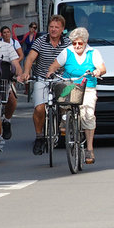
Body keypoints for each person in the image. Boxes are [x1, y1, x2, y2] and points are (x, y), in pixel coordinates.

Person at [47, 27, 105, 164]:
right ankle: (65, 118)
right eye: (74, 43)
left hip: (87, 87)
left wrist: (98, 71)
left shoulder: (93, 53)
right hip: (70, 85)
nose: (77, 46)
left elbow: (103, 68)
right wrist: (50, 72)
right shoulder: (67, 52)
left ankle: (89, 149)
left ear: (85, 42)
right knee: (62, 97)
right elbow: (54, 66)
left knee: (88, 115)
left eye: (80, 43)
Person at [19, 15, 71, 155]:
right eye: (51, 27)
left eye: (56, 27)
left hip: (61, 78)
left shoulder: (68, 43)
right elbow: (30, 58)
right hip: (42, 78)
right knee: (39, 108)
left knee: (65, 103)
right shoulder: (41, 41)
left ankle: (63, 124)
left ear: (62, 30)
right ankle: (39, 137)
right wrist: (26, 72)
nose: (53, 30)